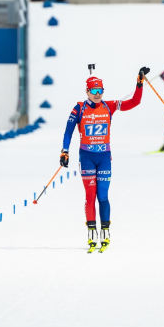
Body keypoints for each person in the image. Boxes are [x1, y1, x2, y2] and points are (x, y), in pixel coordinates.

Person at [60, 66, 150, 253]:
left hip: (103, 158)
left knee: (103, 196)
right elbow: (68, 131)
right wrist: (64, 151)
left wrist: (139, 82)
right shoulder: (79, 108)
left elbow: (134, 102)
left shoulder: (108, 106)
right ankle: (92, 233)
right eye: (93, 91)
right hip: (86, 158)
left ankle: (106, 232)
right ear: (87, 91)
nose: (97, 94)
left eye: (100, 90)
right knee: (90, 196)